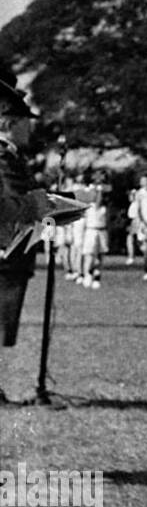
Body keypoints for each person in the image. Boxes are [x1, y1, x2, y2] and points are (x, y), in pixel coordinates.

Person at [0, 69, 38, 403]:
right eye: (26, 121)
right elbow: (16, 203)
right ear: (9, 123)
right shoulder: (4, 157)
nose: (31, 127)